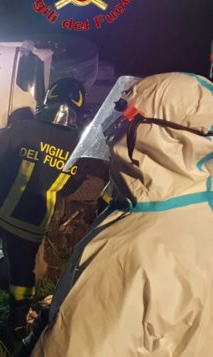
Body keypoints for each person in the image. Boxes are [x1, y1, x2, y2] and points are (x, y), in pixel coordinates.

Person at [28, 73, 213, 356]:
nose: (109, 129)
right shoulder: (193, 211)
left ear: (163, 137)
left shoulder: (135, 248)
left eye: (124, 115)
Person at [0, 78, 86, 335]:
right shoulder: (78, 145)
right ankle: (19, 324)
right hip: (32, 222)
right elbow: (70, 186)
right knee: (24, 272)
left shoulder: (23, 127)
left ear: (48, 100)